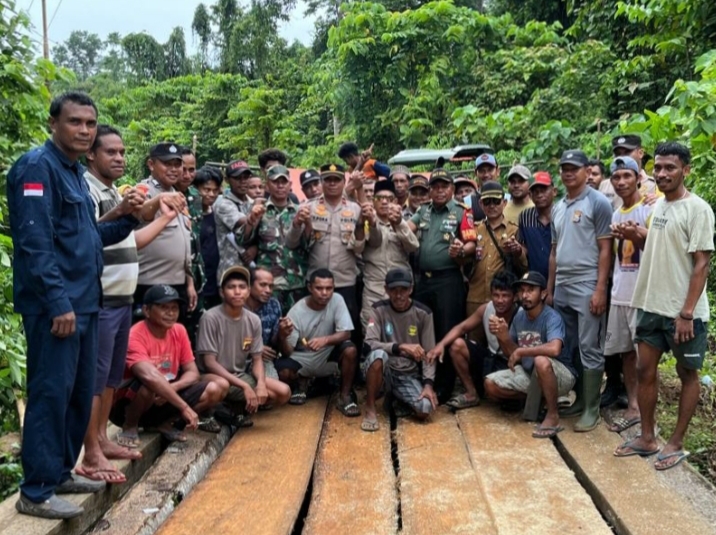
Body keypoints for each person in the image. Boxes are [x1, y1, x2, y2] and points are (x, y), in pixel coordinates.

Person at [8, 92, 144, 519]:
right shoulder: (37, 168)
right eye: (75, 122)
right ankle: (36, 489)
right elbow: (34, 244)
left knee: (77, 394)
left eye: (90, 123)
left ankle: (60, 471)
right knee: (50, 393)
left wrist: (132, 215)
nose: (84, 130)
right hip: (58, 309)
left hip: (86, 304)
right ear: (53, 123)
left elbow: (88, 239)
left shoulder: (72, 176)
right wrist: (57, 303)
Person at [79, 125, 184, 485]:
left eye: (122, 152)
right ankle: (90, 451)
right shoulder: (87, 189)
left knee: (110, 376)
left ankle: (103, 440)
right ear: (91, 154)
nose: (120, 158)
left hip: (124, 294)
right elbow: (87, 236)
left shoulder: (111, 190)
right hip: (102, 294)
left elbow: (130, 239)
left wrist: (165, 216)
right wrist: (132, 208)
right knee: (94, 378)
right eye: (111, 152)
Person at [615, 142, 714, 471]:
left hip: (684, 313)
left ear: (686, 170)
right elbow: (656, 244)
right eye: (657, 168)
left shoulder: (697, 209)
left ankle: (676, 442)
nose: (661, 174)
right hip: (651, 305)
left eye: (670, 168)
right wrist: (635, 234)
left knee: (687, 373)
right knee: (645, 370)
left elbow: (702, 264)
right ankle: (647, 437)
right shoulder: (658, 207)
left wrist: (686, 313)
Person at [110, 285, 228, 446]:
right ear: (146, 310)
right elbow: (148, 375)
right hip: (129, 403)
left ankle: (164, 422)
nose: (171, 313)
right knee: (150, 385)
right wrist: (184, 407)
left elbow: (192, 372)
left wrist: (173, 388)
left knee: (218, 387)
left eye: (174, 308)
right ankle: (130, 426)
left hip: (165, 397)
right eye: (164, 307)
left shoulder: (178, 330)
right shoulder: (135, 335)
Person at [547, 149, 613, 432]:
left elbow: (606, 248)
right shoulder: (558, 206)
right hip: (563, 283)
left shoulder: (598, 203)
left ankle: (591, 408)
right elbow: (554, 251)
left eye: (574, 168)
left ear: (587, 170)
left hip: (587, 283)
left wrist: (600, 289)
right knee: (571, 345)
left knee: (590, 346)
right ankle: (579, 399)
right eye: (564, 168)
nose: (568, 172)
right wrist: (550, 288)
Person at [408, 165, 476, 401]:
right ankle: (424, 378)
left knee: (446, 331)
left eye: (444, 186)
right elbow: (409, 229)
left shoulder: (461, 212)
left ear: (451, 189)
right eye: (435, 186)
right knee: (421, 330)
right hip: (423, 281)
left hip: (448, 281)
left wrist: (461, 249)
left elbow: (471, 243)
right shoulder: (423, 210)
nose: (439, 191)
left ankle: (445, 386)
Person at [484, 272, 577, 438]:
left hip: (560, 375)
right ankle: (542, 400)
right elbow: (511, 355)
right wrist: (503, 337)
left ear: (543, 294)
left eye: (530, 290)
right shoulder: (520, 317)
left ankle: (553, 415)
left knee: (541, 361)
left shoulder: (551, 317)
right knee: (490, 384)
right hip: (530, 374)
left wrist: (523, 351)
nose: (524, 295)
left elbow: (555, 349)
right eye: (522, 290)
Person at [285, 164, 370, 346]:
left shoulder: (355, 209)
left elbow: (360, 248)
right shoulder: (308, 207)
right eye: (328, 180)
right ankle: (317, 370)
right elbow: (291, 243)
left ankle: (350, 373)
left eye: (336, 179)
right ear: (322, 182)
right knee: (313, 331)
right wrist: (296, 223)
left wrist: (362, 228)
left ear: (343, 182)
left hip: (345, 281)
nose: (332, 184)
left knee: (348, 334)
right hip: (316, 283)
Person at [197, 267, 290, 425]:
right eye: (231, 287)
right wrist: (245, 386)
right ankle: (204, 412)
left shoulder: (253, 320)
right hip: (212, 376)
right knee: (222, 385)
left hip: (239, 375)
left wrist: (260, 384)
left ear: (247, 291)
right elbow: (209, 363)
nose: (237, 292)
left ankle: (235, 407)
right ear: (222, 292)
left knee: (283, 392)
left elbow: (257, 359)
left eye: (242, 287)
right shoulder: (210, 317)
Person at [602, 156, 653, 434]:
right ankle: (633, 405)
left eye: (626, 176)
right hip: (620, 292)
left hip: (642, 294)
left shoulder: (648, 209)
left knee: (644, 356)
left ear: (637, 178)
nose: (621, 182)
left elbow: (654, 244)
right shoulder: (616, 213)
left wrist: (637, 235)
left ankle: (646, 414)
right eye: (617, 177)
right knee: (626, 355)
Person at [428, 271, 518, 409]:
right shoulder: (486, 309)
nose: (500, 300)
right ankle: (471, 393)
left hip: (511, 363)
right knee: (456, 345)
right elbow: (462, 328)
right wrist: (440, 344)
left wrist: (504, 337)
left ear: (514, 297)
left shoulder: (521, 315)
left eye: (505, 296)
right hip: (491, 358)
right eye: (496, 295)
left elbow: (519, 356)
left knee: (493, 390)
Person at [275, 269, 359, 416]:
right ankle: (301, 383)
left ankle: (344, 396)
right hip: (302, 357)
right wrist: (282, 336)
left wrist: (325, 340)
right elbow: (287, 351)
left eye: (329, 288)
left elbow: (346, 333)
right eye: (319, 288)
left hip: (327, 355)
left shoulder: (337, 300)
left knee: (350, 350)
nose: (324, 293)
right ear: (310, 288)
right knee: (283, 372)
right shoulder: (297, 311)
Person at [362, 268, 437, 431]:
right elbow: (369, 343)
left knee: (425, 408)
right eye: (394, 290)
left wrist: (428, 384)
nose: (398, 295)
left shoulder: (423, 313)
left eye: (403, 290)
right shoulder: (378, 309)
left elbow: (430, 353)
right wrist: (399, 347)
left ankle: (396, 398)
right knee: (378, 355)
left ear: (411, 289)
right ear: (386, 290)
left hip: (407, 373)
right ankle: (370, 407)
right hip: (384, 369)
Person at [134, 143, 197, 324]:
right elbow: (141, 212)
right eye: (167, 164)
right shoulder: (143, 189)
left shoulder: (177, 194)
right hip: (150, 283)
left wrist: (189, 283)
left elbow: (185, 244)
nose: (174, 169)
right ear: (151, 165)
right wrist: (159, 199)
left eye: (177, 164)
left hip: (178, 283)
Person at [240, 164, 307, 314]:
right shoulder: (257, 210)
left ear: (290, 185)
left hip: (297, 282)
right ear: (267, 185)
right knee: (268, 327)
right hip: (269, 285)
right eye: (275, 182)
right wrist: (251, 220)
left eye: (284, 182)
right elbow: (242, 240)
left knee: (295, 330)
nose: (280, 186)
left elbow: (309, 244)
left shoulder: (300, 211)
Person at [362, 180, 419, 330]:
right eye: (380, 198)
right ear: (373, 201)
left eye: (389, 198)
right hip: (374, 288)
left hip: (400, 290)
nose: (385, 202)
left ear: (395, 201)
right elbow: (359, 246)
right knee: (371, 330)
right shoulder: (366, 222)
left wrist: (399, 224)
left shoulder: (402, 222)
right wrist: (371, 223)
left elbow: (413, 246)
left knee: (402, 330)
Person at [468, 181, 526, 319]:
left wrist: (518, 252)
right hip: (476, 297)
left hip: (504, 299)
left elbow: (524, 266)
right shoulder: (474, 230)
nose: (492, 205)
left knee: (503, 338)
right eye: (487, 202)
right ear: (481, 204)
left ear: (504, 203)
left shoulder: (515, 230)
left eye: (496, 201)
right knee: (474, 338)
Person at [245, 268, 295, 382]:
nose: (268, 290)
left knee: (276, 391)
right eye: (262, 285)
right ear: (249, 285)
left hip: (262, 360)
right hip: (236, 359)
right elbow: (230, 340)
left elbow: (277, 346)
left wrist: (282, 335)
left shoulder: (273, 304)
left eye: (271, 286)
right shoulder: (237, 305)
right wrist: (255, 348)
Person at [214, 159, 254, 275]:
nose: (242, 182)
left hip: (251, 269)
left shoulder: (251, 202)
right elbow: (244, 222)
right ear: (227, 180)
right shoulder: (223, 204)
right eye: (237, 178)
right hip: (230, 269)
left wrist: (255, 247)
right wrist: (260, 211)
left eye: (246, 177)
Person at [599, 135, 658, 210]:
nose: (622, 157)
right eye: (618, 154)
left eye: (627, 152)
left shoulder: (655, 185)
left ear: (640, 153)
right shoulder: (605, 185)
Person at [194, 166, 223, 309]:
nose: (211, 194)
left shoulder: (217, 214)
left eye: (215, 190)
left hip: (215, 281)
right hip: (196, 282)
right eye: (206, 190)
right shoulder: (191, 216)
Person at [518, 171, 556, 279]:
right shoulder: (525, 216)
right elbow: (524, 247)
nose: (539, 195)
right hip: (535, 280)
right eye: (535, 191)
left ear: (554, 191)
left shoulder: (562, 214)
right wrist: (517, 249)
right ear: (530, 195)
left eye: (543, 190)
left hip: (561, 279)